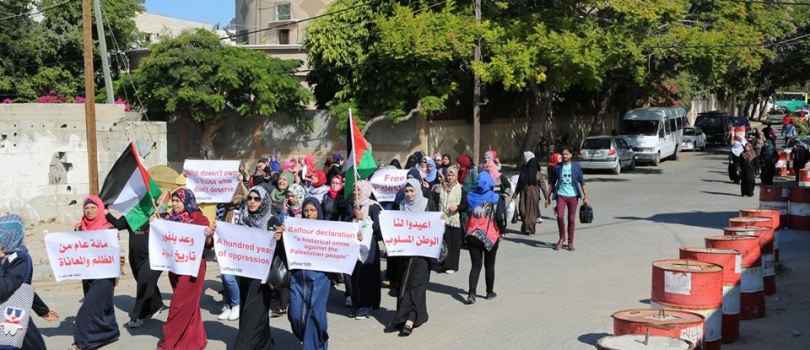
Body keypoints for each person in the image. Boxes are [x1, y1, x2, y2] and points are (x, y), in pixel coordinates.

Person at [287, 197, 357, 349]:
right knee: (295, 316)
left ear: (318, 211)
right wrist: (280, 236)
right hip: (297, 280)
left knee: (315, 317)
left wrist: (356, 237)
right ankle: (316, 340)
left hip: (320, 280)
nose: (309, 214)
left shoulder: (327, 231)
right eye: (306, 210)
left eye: (312, 210)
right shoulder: (295, 229)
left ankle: (312, 345)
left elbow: (344, 245)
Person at [224, 186, 280, 350]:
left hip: (262, 278)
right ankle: (264, 345)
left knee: (252, 315)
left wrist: (280, 238)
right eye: (249, 198)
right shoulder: (243, 219)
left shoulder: (272, 222)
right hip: (245, 275)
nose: (252, 202)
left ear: (264, 201)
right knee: (253, 315)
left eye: (257, 199)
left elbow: (280, 249)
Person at [158, 189, 214, 350]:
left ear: (187, 201)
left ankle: (169, 343)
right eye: (173, 201)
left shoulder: (198, 218)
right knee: (189, 305)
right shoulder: (169, 218)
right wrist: (155, 224)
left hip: (192, 269)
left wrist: (209, 235)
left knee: (178, 305)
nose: (174, 204)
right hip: (175, 267)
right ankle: (195, 340)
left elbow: (208, 244)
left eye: (178, 201)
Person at [0, 217, 59, 350]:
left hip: (11, 315)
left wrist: (41, 310)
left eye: (3, 232)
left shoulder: (19, 258)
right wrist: (41, 309)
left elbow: (9, 289)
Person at [389, 179, 437, 336]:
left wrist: (440, 221)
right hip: (405, 255)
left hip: (423, 254)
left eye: (412, 191)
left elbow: (435, 227)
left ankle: (409, 320)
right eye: (407, 191)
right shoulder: (400, 206)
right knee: (404, 285)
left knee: (417, 285)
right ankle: (408, 316)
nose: (409, 194)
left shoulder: (427, 204)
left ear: (418, 190)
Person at [71, 196, 120, 350]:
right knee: (102, 306)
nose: (89, 211)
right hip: (88, 274)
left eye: (93, 208)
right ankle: (110, 332)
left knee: (88, 308)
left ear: (100, 209)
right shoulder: (80, 228)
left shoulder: (109, 228)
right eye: (86, 208)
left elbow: (115, 252)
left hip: (105, 275)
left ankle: (84, 342)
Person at [464, 172, 507, 305]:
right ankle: (489, 292)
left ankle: (471, 294)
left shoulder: (470, 196)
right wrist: (502, 231)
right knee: (489, 265)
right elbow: (499, 217)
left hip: (472, 235)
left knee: (475, 266)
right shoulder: (495, 197)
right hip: (490, 236)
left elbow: (464, 211)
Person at [344, 180, 382, 319]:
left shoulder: (374, 207)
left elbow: (378, 228)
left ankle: (366, 307)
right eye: (354, 189)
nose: (355, 192)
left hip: (369, 246)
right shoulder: (351, 205)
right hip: (354, 244)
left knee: (367, 275)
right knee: (354, 276)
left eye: (358, 189)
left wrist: (364, 218)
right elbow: (345, 222)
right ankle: (356, 305)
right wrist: (353, 220)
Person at [215, 182, 248, 322]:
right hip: (223, 245)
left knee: (229, 277)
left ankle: (236, 304)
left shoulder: (243, 205)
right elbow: (217, 221)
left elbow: (248, 197)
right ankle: (228, 304)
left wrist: (240, 181)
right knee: (224, 276)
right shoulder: (221, 206)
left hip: (238, 246)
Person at [548, 148, 590, 252]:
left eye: (567, 154)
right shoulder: (557, 167)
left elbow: (582, 182)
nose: (564, 156)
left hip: (573, 196)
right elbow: (552, 183)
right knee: (559, 216)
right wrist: (547, 197)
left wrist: (586, 196)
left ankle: (570, 242)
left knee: (571, 219)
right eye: (563, 154)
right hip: (561, 195)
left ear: (571, 155)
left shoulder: (576, 166)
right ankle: (562, 237)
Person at [434, 166, 467, 274]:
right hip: (442, 220)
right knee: (443, 243)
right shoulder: (439, 189)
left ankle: (452, 266)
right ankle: (443, 264)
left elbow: (466, 205)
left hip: (454, 220)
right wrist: (438, 214)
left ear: (456, 176)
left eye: (453, 175)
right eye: (449, 175)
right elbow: (434, 202)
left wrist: (457, 207)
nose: (450, 177)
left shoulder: (461, 189)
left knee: (453, 244)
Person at [514, 152, 549, 235]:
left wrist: (547, 197)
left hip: (533, 194)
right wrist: (514, 195)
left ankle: (530, 229)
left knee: (531, 212)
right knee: (522, 210)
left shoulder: (537, 173)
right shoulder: (524, 171)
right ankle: (525, 227)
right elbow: (519, 184)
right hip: (523, 193)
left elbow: (543, 185)